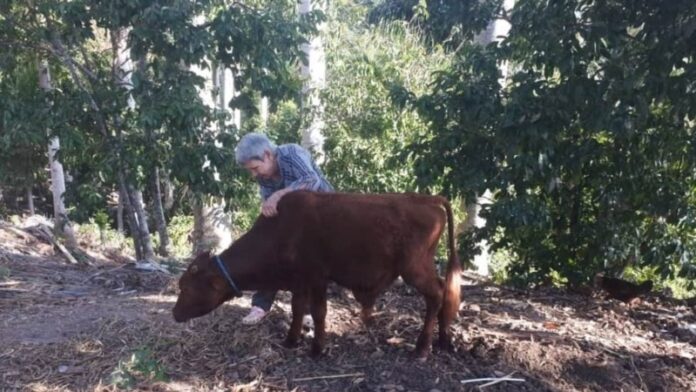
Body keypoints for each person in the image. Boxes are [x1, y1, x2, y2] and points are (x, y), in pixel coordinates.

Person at [234, 132, 334, 324]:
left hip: (324, 216)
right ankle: (260, 306)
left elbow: (311, 180)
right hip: (293, 220)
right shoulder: (264, 176)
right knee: (269, 252)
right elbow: (269, 202)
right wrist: (268, 210)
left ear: (268, 155)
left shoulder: (292, 153)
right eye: (251, 171)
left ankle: (307, 313)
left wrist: (279, 195)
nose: (254, 174)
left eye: (255, 168)